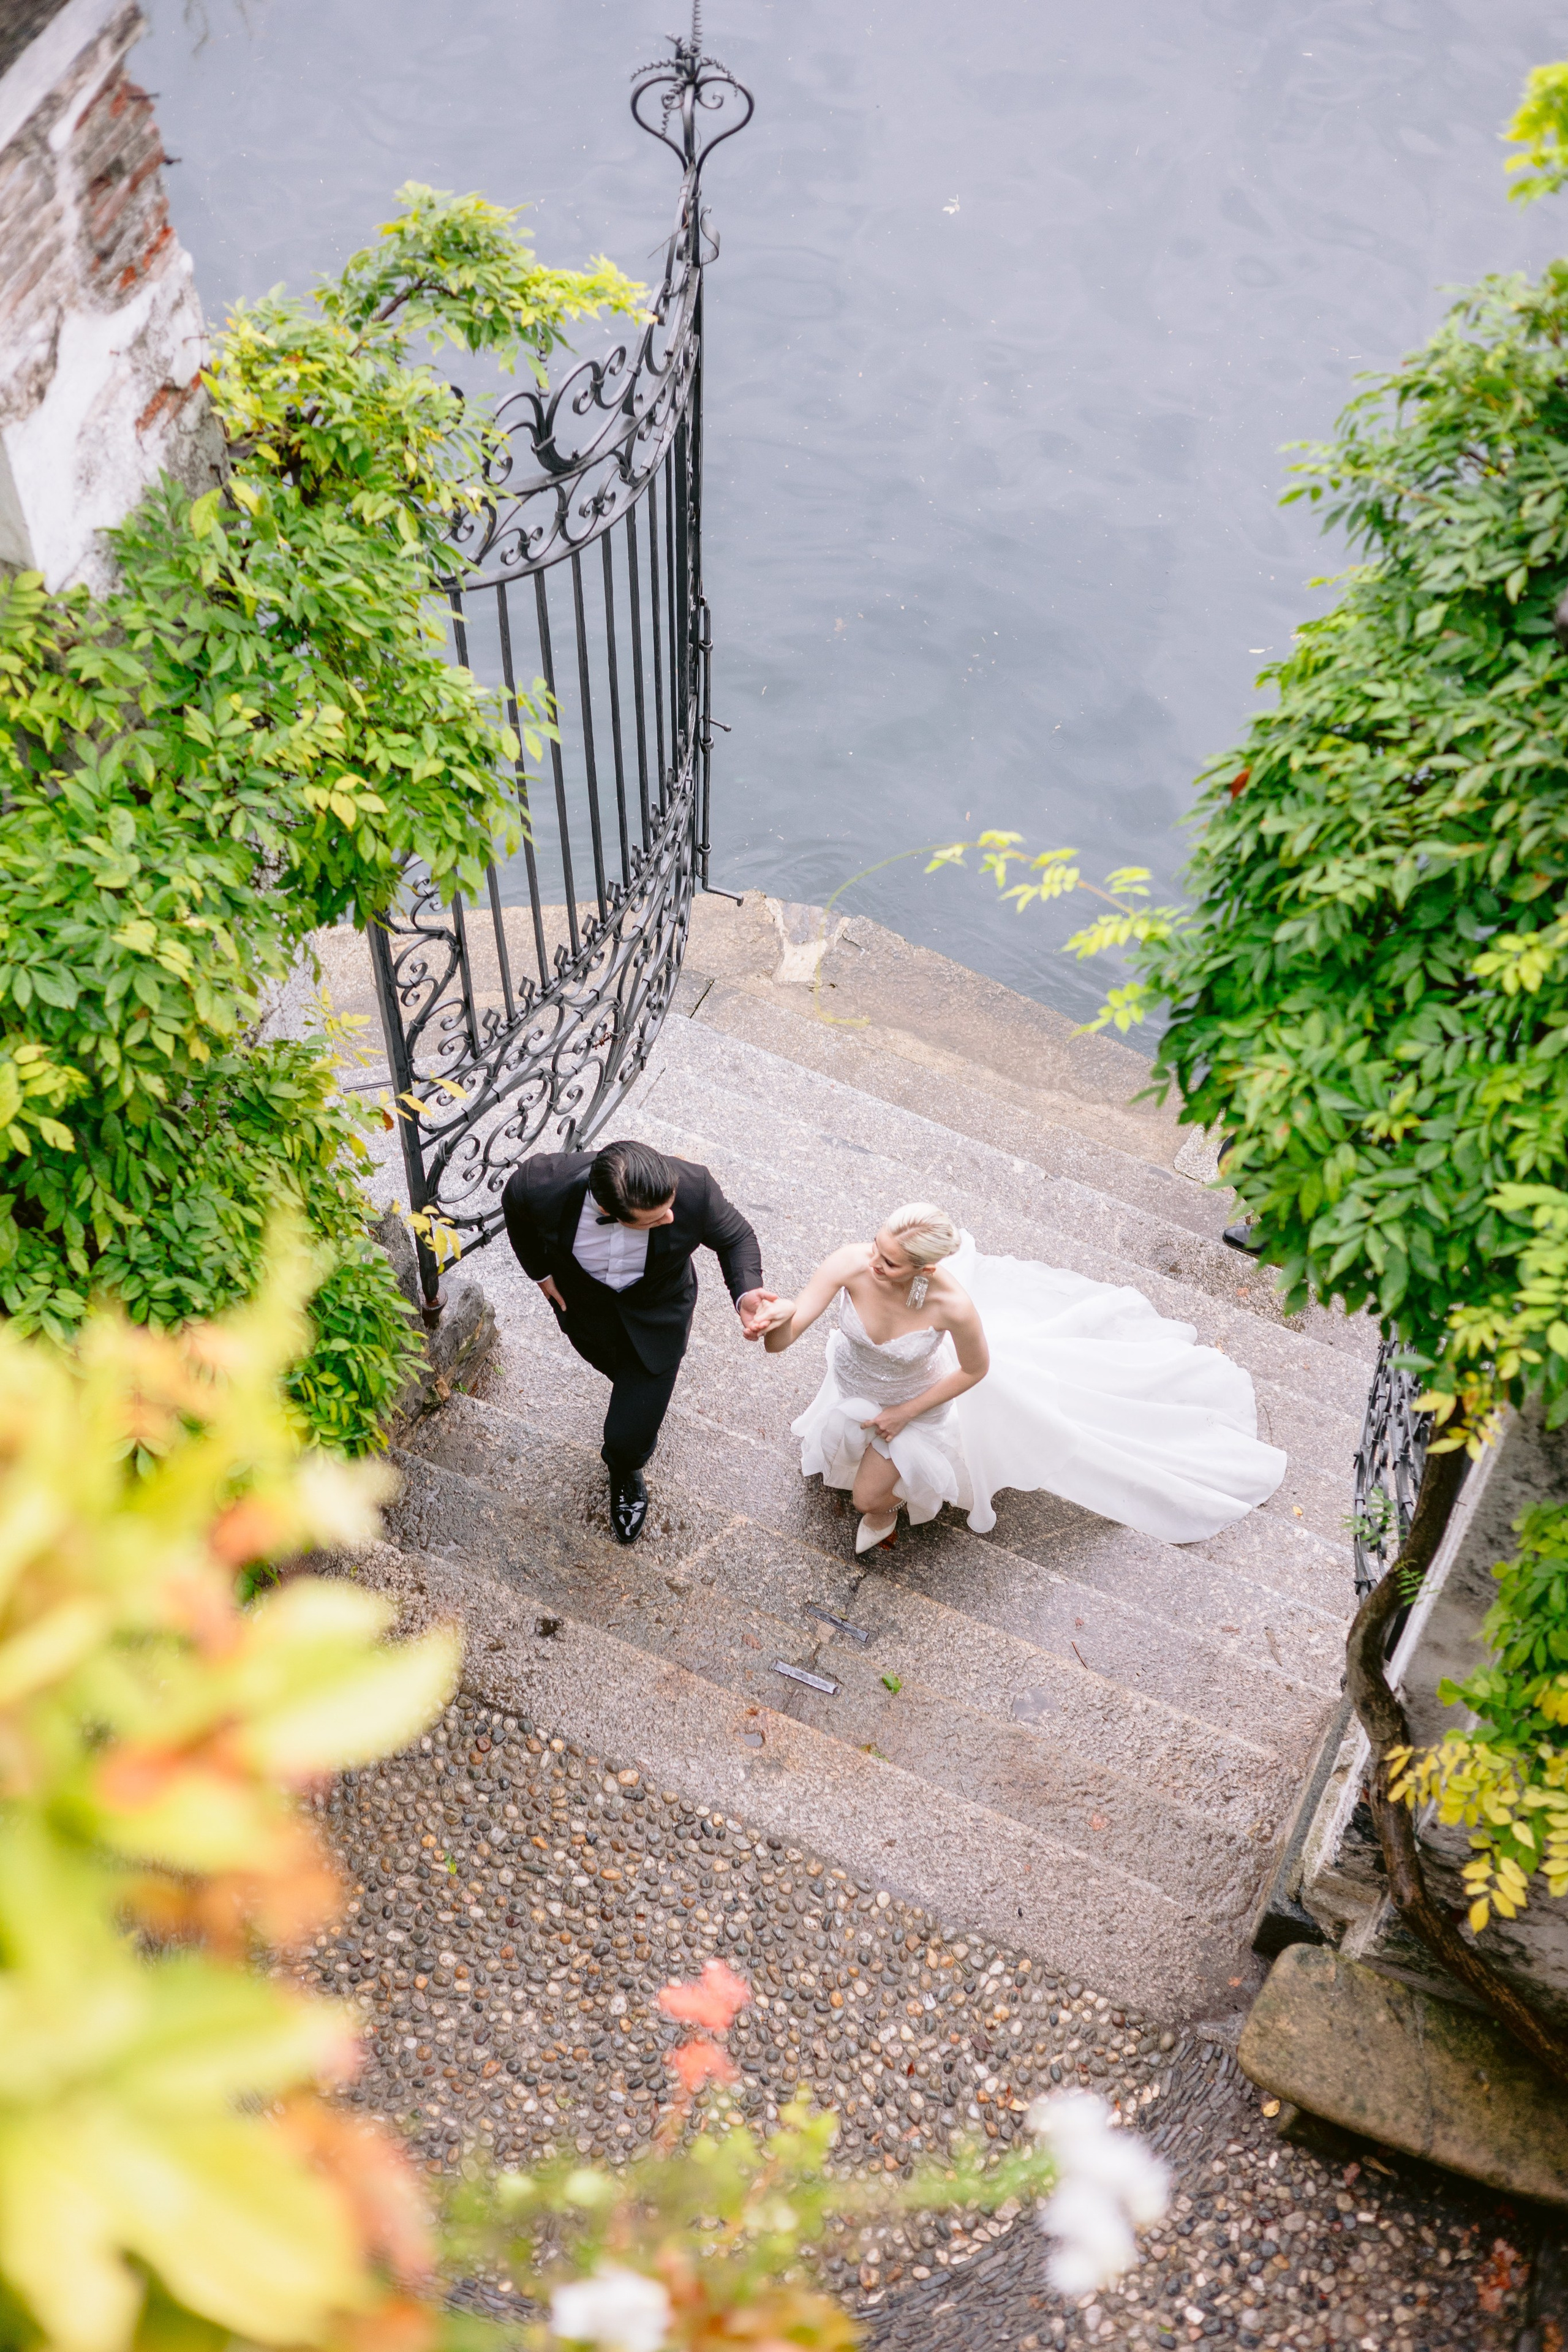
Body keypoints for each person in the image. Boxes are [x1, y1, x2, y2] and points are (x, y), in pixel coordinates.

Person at [760, 1201, 1287, 1550]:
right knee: (849, 1464)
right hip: (857, 1381)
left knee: (868, 1501)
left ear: (924, 1271)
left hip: (915, 1401)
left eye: (890, 1262)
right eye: (876, 1247)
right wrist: (775, 1322)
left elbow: (976, 1369)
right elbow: (786, 1338)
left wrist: (904, 1413)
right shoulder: (851, 1263)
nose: (873, 1262)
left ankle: (899, 1495)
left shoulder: (952, 1306)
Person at [501, 1139, 772, 1544]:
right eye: (655, 1219)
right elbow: (514, 1206)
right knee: (614, 1369)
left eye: (669, 1210)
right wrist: (539, 1273)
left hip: (659, 1314)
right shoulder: (543, 1185)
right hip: (586, 1312)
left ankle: (625, 1468)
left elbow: (736, 1239)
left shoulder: (694, 1188)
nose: (670, 1220)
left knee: (627, 1432)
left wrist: (747, 1292)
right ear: (608, 1209)